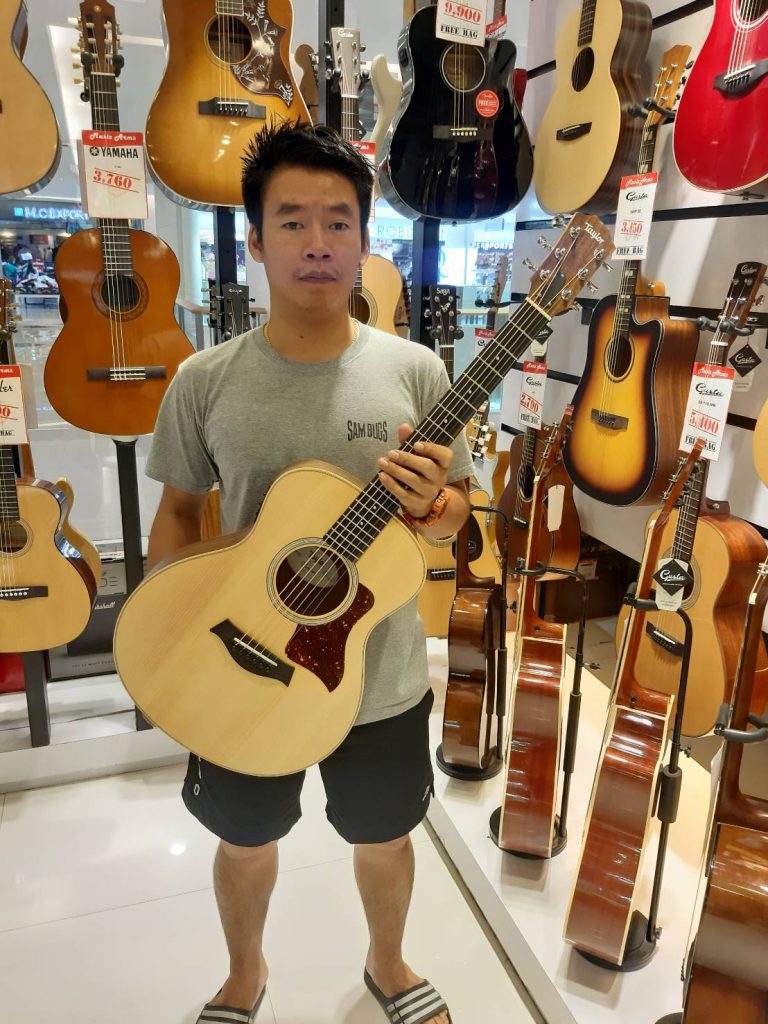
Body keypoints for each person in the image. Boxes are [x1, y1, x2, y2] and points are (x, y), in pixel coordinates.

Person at [145, 120, 474, 1024]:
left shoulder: (416, 370)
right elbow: (178, 514)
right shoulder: (204, 380)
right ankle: (244, 975)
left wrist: (437, 507)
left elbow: (456, 514)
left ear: (366, 241)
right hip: (242, 664)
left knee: (386, 838)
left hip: (378, 674)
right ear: (256, 241)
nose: (318, 243)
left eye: (338, 222)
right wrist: (173, 636)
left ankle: (389, 965)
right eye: (292, 221)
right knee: (244, 842)